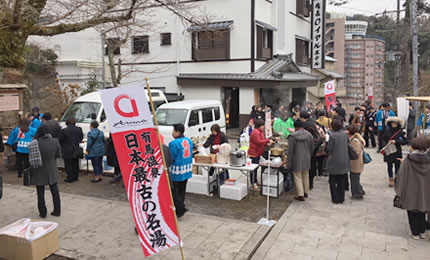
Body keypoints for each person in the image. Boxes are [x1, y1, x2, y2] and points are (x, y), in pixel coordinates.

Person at [395, 137, 430, 240]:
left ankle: (415, 233)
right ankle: (422, 231)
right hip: (425, 190)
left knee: (412, 211)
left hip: (411, 189)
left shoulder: (409, 160)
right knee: (422, 210)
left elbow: (400, 176)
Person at [30, 125, 62, 218]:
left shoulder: (35, 143)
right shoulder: (55, 141)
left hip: (39, 169)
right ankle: (57, 210)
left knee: (40, 192)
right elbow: (58, 154)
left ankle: (43, 212)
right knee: (55, 190)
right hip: (51, 168)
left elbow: (31, 158)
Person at [326, 119, 351, 204]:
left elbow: (329, 148)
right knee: (341, 180)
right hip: (344, 159)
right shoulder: (345, 135)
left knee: (332, 180)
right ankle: (341, 197)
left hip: (334, 160)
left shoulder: (332, 136)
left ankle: (335, 198)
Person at [287, 120, 314, 201]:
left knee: (297, 176)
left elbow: (290, 151)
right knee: (305, 175)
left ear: (295, 127)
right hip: (307, 157)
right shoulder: (309, 135)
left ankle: (300, 194)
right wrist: (309, 155)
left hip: (296, 158)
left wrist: (288, 163)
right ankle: (306, 191)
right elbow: (312, 147)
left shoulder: (292, 136)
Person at [169, 123, 193, 211]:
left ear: (178, 132)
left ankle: (180, 208)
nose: (172, 133)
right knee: (182, 189)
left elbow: (171, 157)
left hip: (177, 170)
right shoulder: (188, 140)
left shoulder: (174, 143)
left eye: (173, 131)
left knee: (174, 190)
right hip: (187, 168)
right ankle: (181, 205)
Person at [381, 117, 408, 187]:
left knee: (397, 165)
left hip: (397, 151)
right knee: (389, 165)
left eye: (395, 123)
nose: (393, 124)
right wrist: (385, 144)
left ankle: (397, 178)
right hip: (389, 150)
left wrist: (396, 141)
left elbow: (405, 141)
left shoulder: (401, 132)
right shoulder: (387, 130)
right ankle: (391, 179)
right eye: (392, 123)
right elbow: (383, 139)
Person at [248, 119, 274, 190]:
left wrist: (266, 143)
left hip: (258, 152)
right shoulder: (256, 132)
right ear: (259, 126)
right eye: (263, 125)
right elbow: (258, 142)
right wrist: (267, 140)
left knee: (256, 168)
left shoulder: (260, 132)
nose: (263, 127)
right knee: (254, 169)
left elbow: (262, 141)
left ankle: (255, 181)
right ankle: (253, 183)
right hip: (254, 153)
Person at [300, 111, 320, 190]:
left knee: (308, 166)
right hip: (315, 146)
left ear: (302, 118)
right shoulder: (312, 123)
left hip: (309, 147)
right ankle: (311, 183)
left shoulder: (305, 125)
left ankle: (307, 184)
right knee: (312, 164)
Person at [347, 125, 366, 199]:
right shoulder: (356, 138)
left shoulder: (354, 141)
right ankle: (360, 190)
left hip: (356, 162)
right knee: (356, 177)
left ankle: (357, 193)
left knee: (354, 178)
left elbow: (356, 153)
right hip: (358, 162)